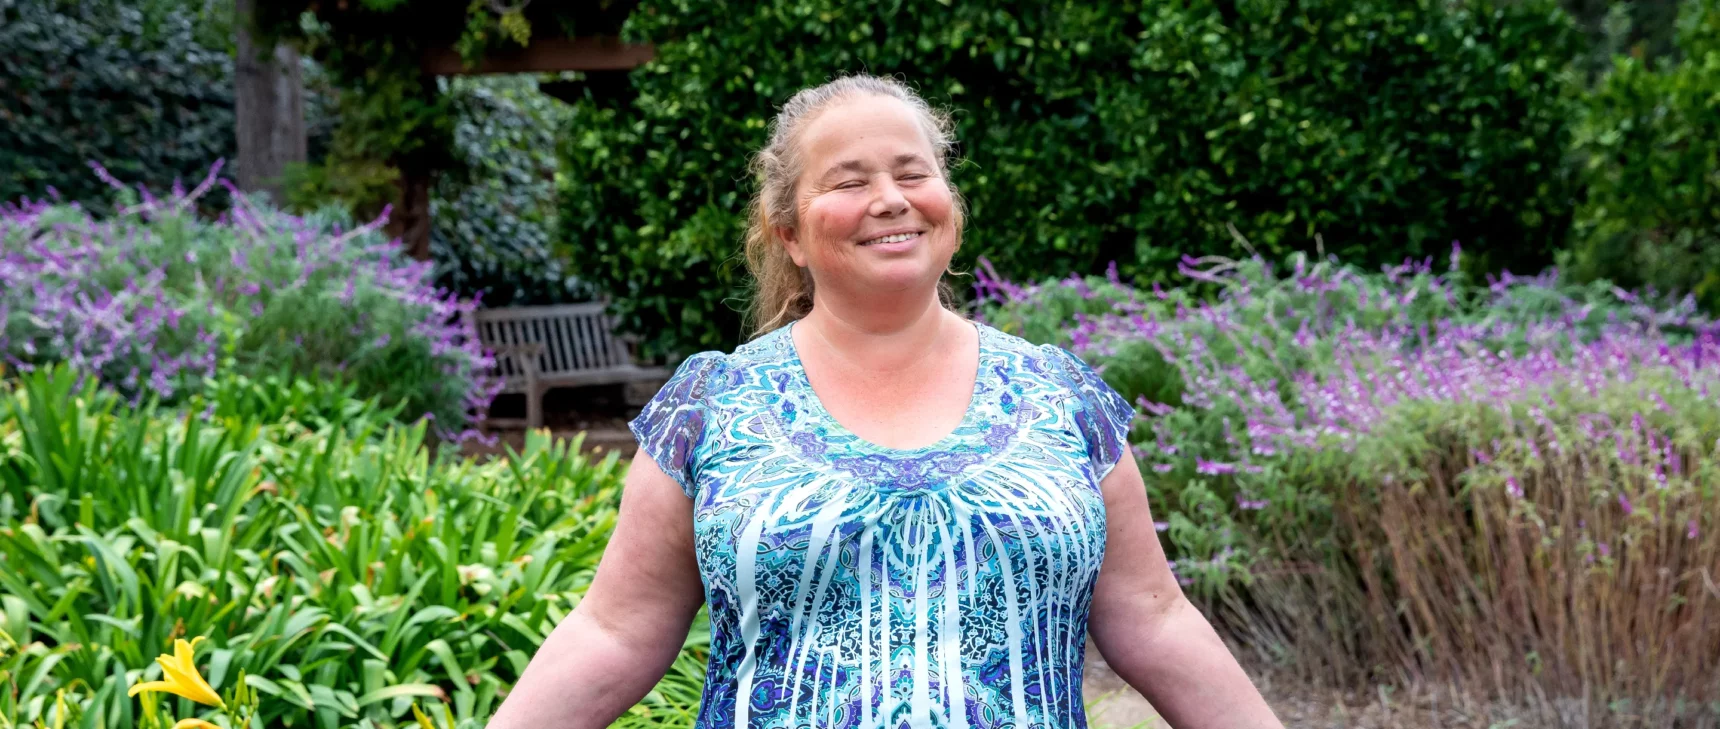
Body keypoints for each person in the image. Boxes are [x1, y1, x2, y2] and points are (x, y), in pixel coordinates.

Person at [487, 74, 1284, 729]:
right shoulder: (712, 405)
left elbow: (1154, 616)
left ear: (950, 204)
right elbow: (614, 629)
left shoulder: (1060, 397)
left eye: (913, 173)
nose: (892, 199)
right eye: (849, 180)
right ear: (789, 232)